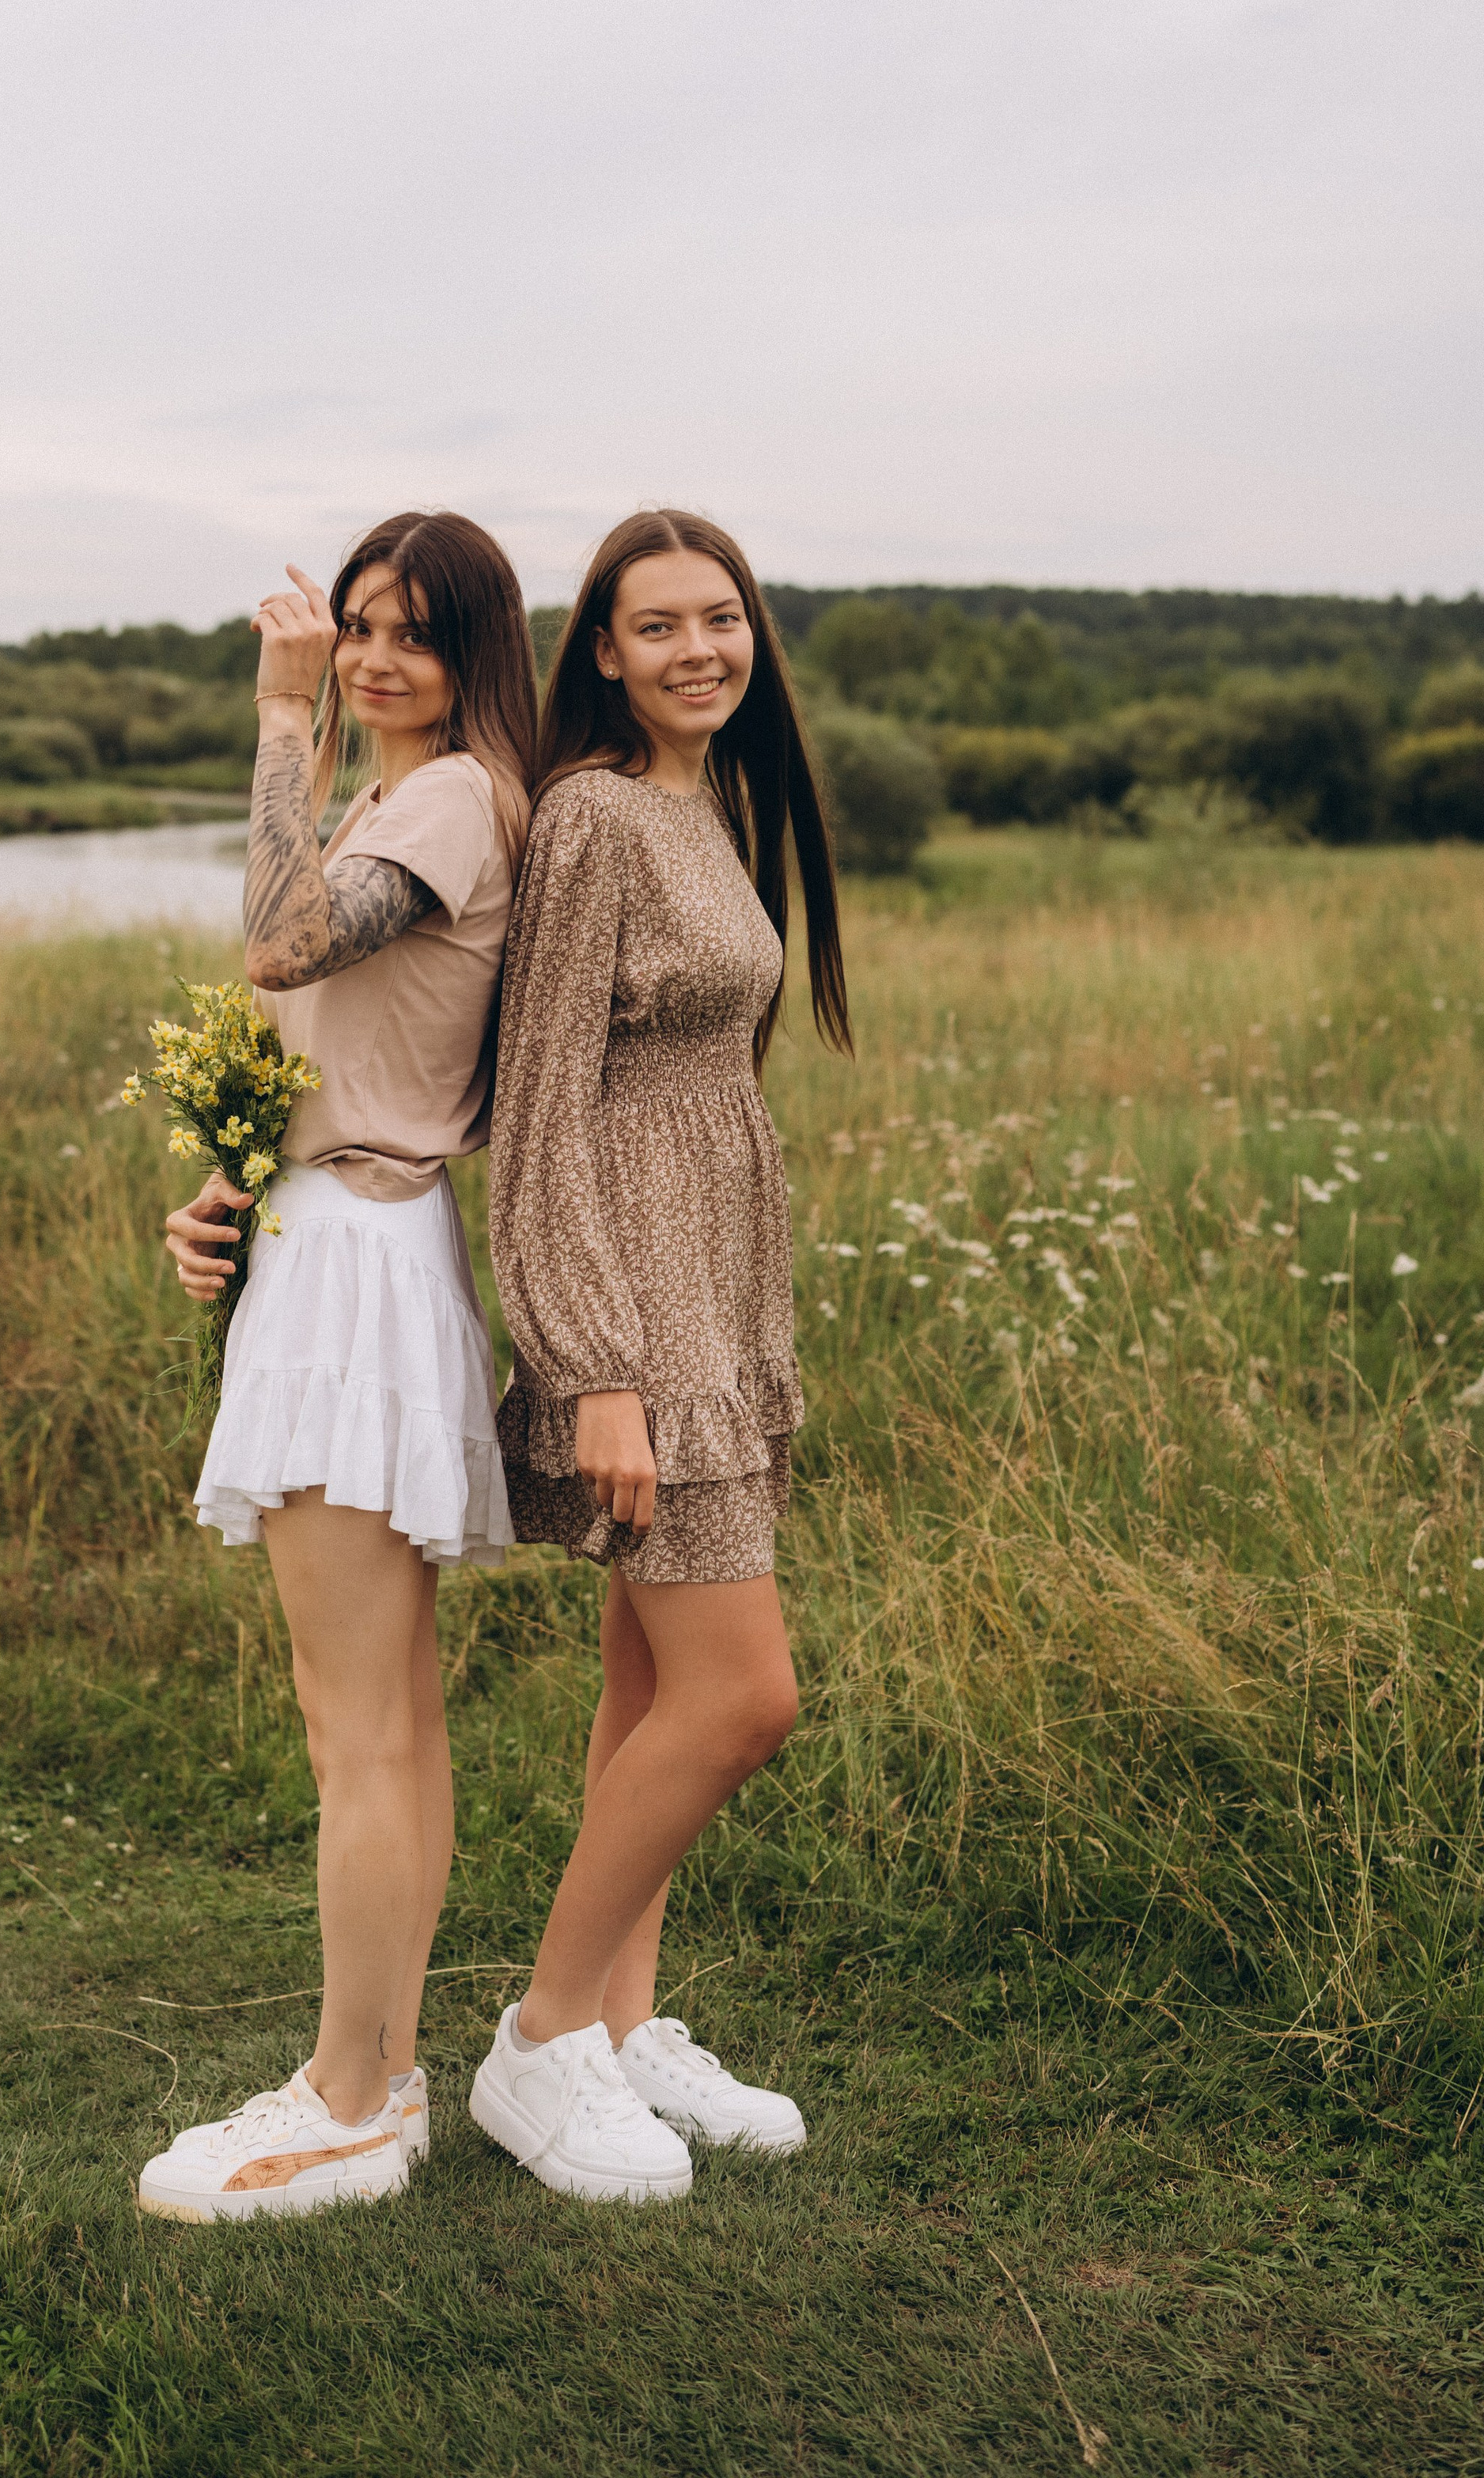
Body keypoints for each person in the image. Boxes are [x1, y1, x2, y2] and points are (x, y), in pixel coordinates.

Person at [135, 511, 536, 2226]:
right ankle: (380, 2072)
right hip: (339, 1239)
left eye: (412, 636)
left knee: (356, 1726)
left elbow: (282, 942)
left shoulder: (446, 793)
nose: (373, 655)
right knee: (387, 1722)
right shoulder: (409, 797)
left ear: (472, 658)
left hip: (361, 1271)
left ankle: (346, 2100)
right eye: (355, 627)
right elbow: (312, 1015)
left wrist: (276, 711)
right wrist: (234, 1173)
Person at [468, 506, 850, 2203]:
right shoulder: (594, 821)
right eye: (657, 626)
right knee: (739, 1698)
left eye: (721, 619)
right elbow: (540, 1115)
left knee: (645, 1690)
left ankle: (620, 2034)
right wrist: (590, 1363)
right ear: (601, 653)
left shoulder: (701, 806)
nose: (699, 648)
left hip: (718, 1285)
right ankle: (543, 2040)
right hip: (637, 1306)